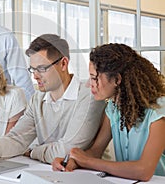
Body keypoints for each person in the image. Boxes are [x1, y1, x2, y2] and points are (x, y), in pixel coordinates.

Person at [0, 34, 106, 164]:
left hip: (84, 174)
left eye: (42, 69)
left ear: (63, 64)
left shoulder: (89, 96)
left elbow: (68, 150)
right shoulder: (38, 99)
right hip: (50, 171)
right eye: (33, 69)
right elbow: (17, 139)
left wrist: (32, 152)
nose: (35, 76)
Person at [52, 43, 165, 181]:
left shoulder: (159, 111)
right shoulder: (113, 109)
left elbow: (144, 171)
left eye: (94, 78)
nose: (89, 84)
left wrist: (87, 161)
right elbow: (95, 151)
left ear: (117, 79)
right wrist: (72, 162)